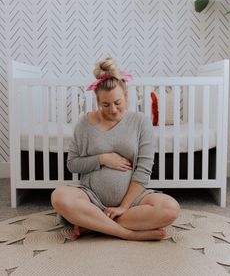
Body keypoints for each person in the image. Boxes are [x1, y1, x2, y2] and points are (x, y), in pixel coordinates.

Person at [51, 57, 180, 241]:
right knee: (59, 197)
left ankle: (92, 224)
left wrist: (123, 207)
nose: (112, 110)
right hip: (90, 197)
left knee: (170, 209)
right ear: (97, 102)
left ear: (126, 96)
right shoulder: (84, 124)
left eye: (117, 103)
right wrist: (102, 159)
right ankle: (126, 233)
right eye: (105, 105)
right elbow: (72, 164)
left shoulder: (140, 122)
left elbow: (144, 169)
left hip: (133, 200)